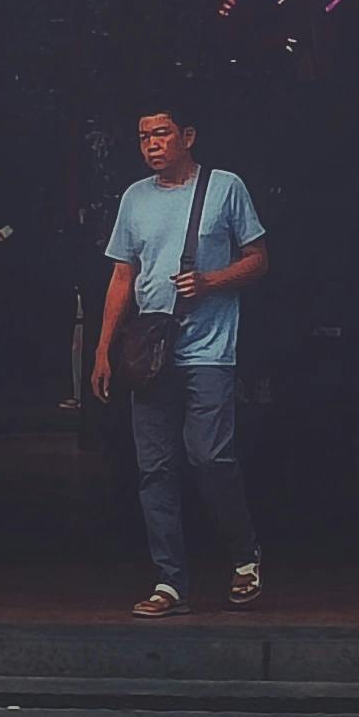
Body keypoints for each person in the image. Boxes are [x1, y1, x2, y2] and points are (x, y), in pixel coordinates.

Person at [89, 94, 269, 618]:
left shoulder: (225, 188)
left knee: (210, 456)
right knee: (154, 469)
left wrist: (212, 281)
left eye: (162, 134)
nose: (152, 145)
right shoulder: (134, 198)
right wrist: (102, 350)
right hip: (150, 354)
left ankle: (245, 557)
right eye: (145, 136)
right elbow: (122, 276)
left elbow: (259, 260)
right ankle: (170, 582)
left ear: (187, 136)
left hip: (210, 347)